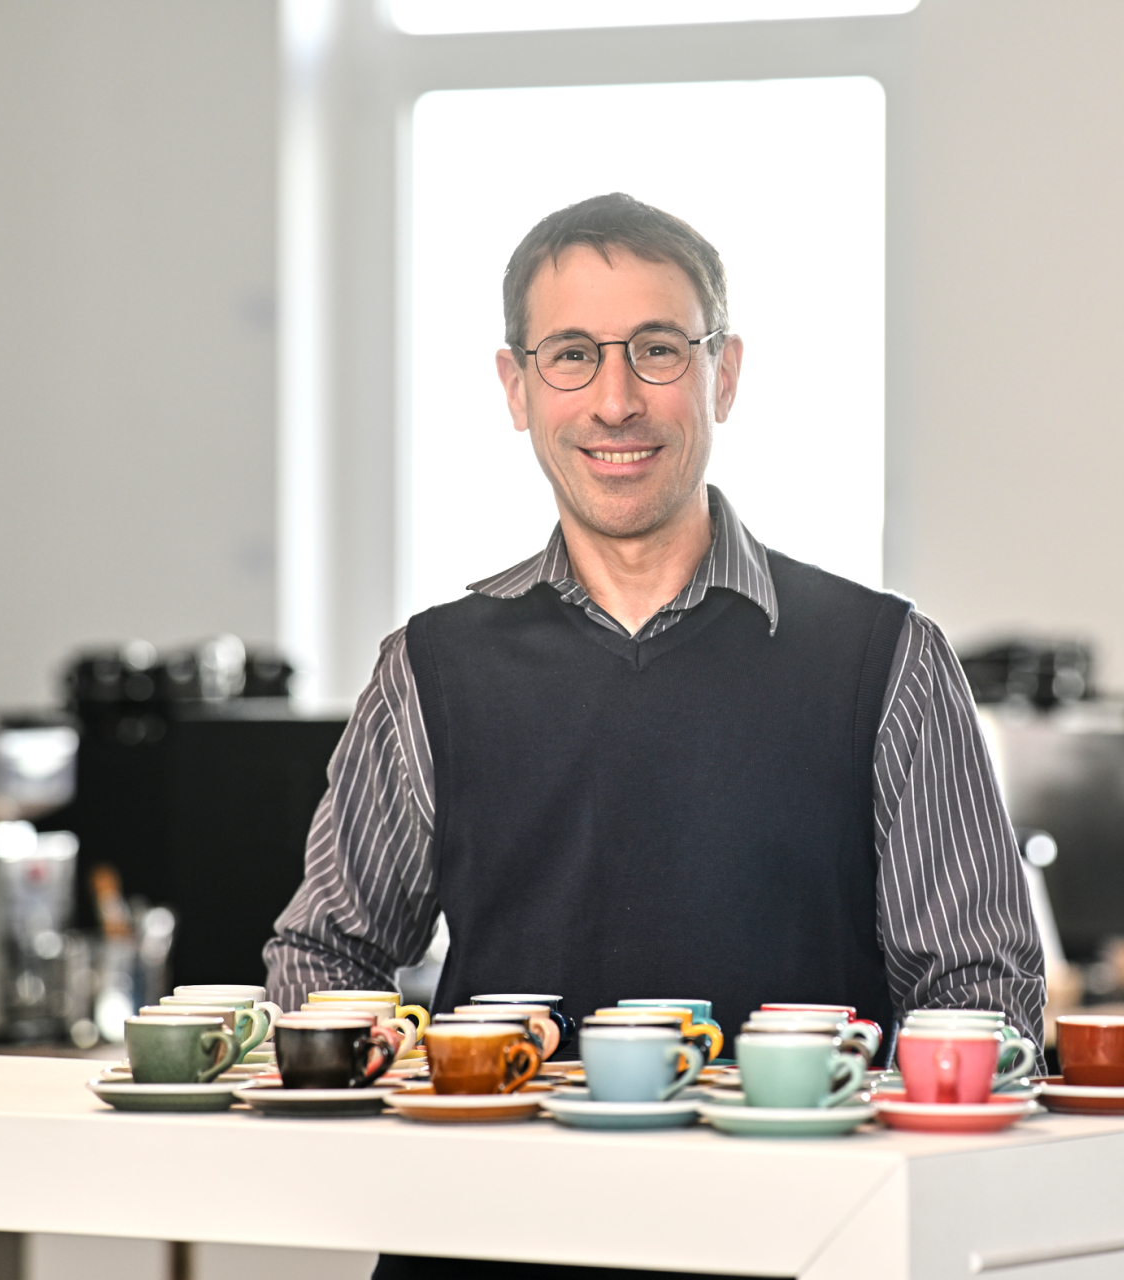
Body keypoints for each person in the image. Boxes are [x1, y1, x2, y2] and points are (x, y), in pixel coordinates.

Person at [264, 193, 1043, 1280]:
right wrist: (402, 1067)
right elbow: (323, 952)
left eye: (659, 351)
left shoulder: (887, 659)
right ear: (517, 388)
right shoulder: (429, 668)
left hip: (803, 1249)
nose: (617, 400)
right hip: (485, 1244)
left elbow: (982, 991)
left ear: (724, 374)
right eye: (573, 355)